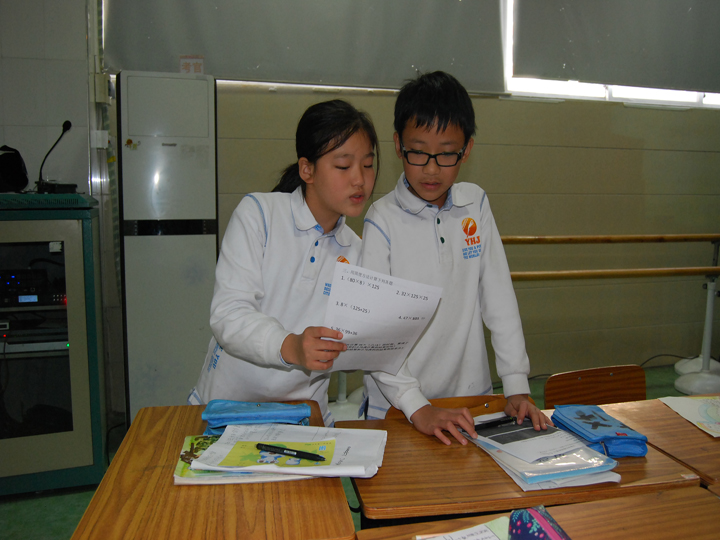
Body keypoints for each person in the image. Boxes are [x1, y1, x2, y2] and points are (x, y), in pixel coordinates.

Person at [361, 71, 551, 444]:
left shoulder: (474, 204)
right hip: (400, 407)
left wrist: (516, 384)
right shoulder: (382, 220)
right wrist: (417, 406)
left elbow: (498, 299)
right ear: (398, 145)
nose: (432, 169)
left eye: (447, 153)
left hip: (470, 400)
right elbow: (376, 333)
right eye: (419, 152)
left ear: (467, 149)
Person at [188, 99, 378, 426]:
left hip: (304, 416)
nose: (359, 179)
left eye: (368, 165)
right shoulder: (259, 215)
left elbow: (349, 347)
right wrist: (292, 346)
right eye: (344, 166)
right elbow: (229, 314)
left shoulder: (358, 253)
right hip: (226, 411)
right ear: (307, 169)